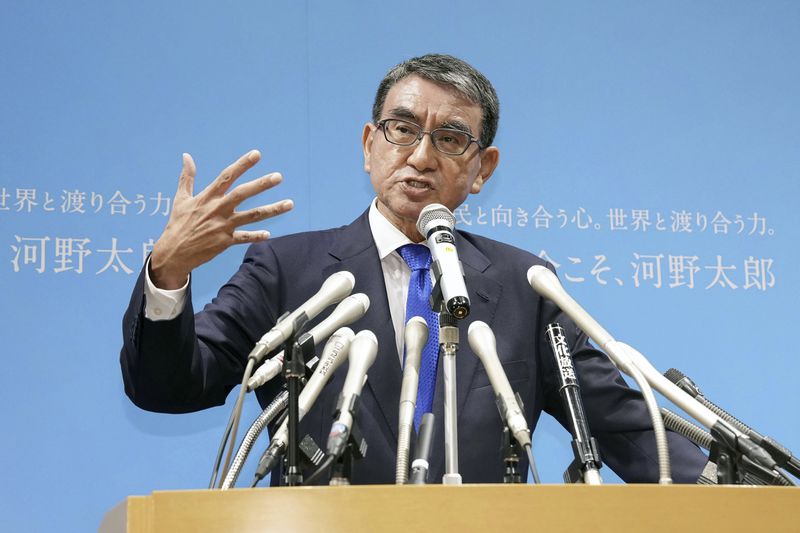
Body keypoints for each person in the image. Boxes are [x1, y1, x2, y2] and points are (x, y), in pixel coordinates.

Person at [121, 54, 708, 484]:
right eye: (403, 129)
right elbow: (168, 386)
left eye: (451, 139)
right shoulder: (288, 269)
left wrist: (748, 494)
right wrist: (168, 272)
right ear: (370, 143)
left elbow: (622, 427)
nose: (421, 156)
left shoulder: (525, 284)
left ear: (482, 168)